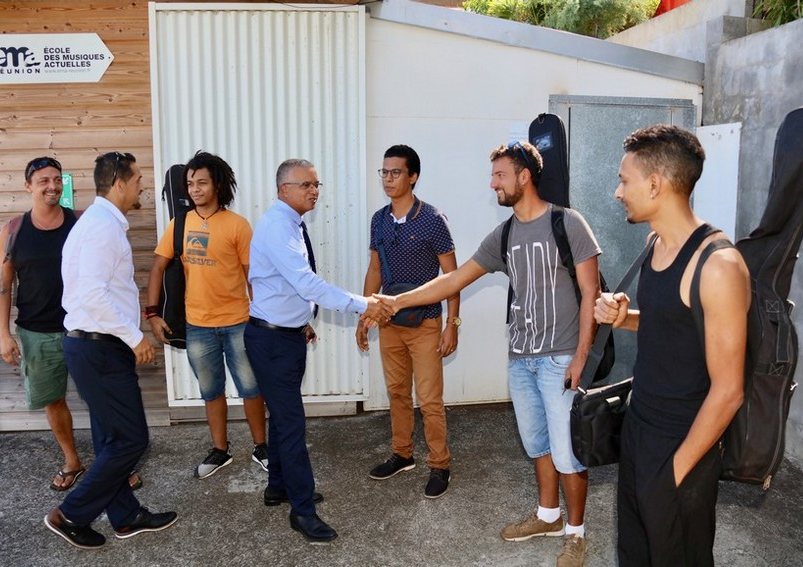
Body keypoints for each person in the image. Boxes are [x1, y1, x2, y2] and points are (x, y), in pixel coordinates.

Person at [372, 142, 600, 567]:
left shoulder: (566, 223)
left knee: (568, 450)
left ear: (524, 176)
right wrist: (396, 301)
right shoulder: (506, 233)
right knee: (537, 444)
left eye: (499, 175)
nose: (491, 182)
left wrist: (581, 356)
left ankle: (576, 533)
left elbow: (592, 292)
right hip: (521, 356)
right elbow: (454, 279)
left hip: (560, 357)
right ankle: (548, 515)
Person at [594, 124, 749, 566]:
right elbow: (673, 324)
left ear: (656, 184)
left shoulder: (718, 265)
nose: (618, 191)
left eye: (625, 180)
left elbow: (729, 390)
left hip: (685, 443)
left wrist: (676, 470)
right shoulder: (654, 243)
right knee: (637, 553)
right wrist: (626, 319)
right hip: (640, 429)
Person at [244, 158, 392, 544]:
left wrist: (302, 319)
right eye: (305, 184)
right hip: (272, 341)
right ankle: (303, 510)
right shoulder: (279, 226)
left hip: (284, 334)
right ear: (283, 190)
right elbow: (307, 283)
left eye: (316, 184)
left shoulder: (290, 223)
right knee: (292, 424)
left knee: (282, 417)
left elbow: (285, 287)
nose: (314, 190)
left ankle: (279, 487)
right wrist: (364, 304)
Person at [44, 152, 177, 549]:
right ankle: (70, 513)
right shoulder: (102, 227)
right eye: (137, 179)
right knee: (132, 439)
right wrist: (134, 336)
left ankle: (124, 516)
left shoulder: (98, 223)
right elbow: (92, 294)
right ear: (119, 181)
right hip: (99, 347)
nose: (142, 186)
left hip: (94, 346)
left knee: (109, 437)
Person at [0, 156, 141, 493]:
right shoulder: (13, 231)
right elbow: (1, 286)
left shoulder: (81, 223)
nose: (52, 186)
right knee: (53, 399)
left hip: (89, 330)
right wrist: (3, 335)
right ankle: (73, 461)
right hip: (37, 331)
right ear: (28, 186)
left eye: (57, 179)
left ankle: (112, 465)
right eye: (43, 180)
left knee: (101, 400)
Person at [147, 151, 268, 479]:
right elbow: (158, 266)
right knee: (211, 391)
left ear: (217, 184)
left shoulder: (237, 225)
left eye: (201, 182)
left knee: (251, 388)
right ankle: (220, 450)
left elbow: (251, 276)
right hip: (198, 326)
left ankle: (262, 447)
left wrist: (262, 320)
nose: (195, 189)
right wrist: (152, 314)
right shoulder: (180, 224)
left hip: (239, 323)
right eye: (189, 183)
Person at [356, 144, 460, 499]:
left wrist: (452, 324)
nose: (388, 179)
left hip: (426, 324)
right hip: (388, 324)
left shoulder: (433, 220)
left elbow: (452, 277)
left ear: (413, 176)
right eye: (383, 172)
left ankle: (439, 464)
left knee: (429, 399)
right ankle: (402, 454)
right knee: (397, 392)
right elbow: (374, 269)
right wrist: (365, 312)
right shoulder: (379, 220)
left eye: (395, 172)